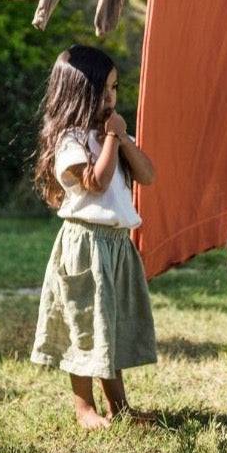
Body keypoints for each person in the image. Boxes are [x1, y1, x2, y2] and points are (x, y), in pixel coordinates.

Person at [30, 44, 157, 430]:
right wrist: (113, 141)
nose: (111, 98)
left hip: (117, 247)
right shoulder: (71, 140)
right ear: (79, 94)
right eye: (103, 90)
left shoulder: (112, 136)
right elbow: (96, 185)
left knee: (110, 328)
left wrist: (123, 139)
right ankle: (84, 407)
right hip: (85, 246)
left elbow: (148, 176)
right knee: (84, 325)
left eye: (115, 88)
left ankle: (120, 407)